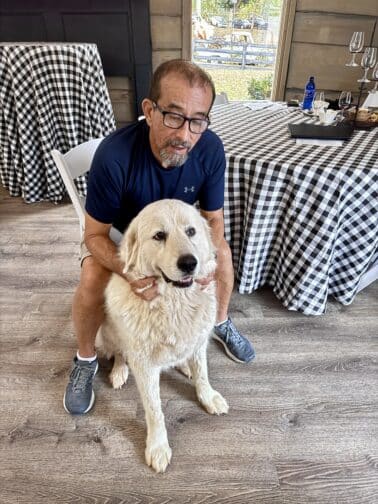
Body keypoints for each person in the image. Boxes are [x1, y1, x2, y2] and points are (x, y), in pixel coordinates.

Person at [64, 59, 255, 415]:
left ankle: (220, 323)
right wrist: (131, 270)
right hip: (123, 236)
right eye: (174, 116)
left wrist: (209, 258)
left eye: (198, 120)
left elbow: (213, 218)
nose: (185, 134)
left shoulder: (210, 149)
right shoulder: (114, 155)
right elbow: (93, 235)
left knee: (224, 255)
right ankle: (86, 357)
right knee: (92, 275)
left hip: (178, 233)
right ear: (149, 111)